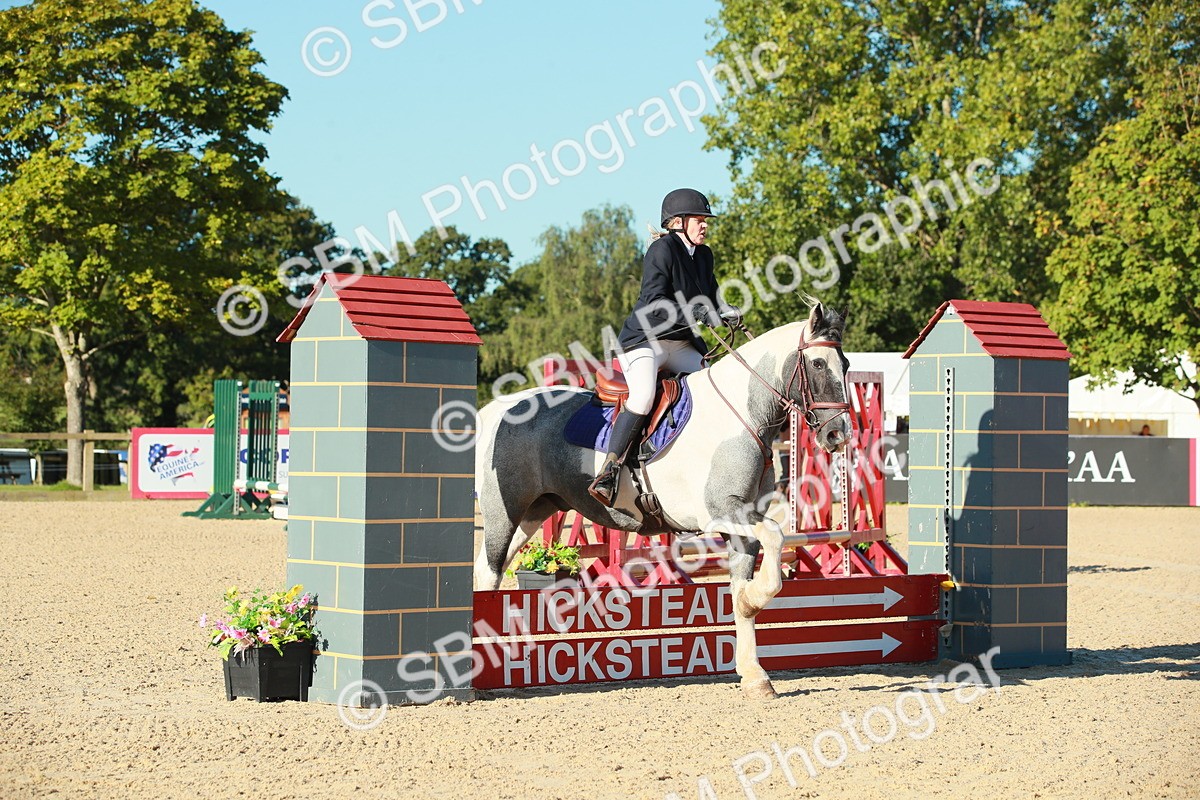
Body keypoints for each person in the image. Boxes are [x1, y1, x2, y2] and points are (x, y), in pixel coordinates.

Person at [587, 188, 740, 506]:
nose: (705, 226)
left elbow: (712, 296)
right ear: (678, 222)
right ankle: (610, 470)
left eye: (705, 221)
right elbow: (655, 301)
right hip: (646, 341)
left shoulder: (704, 255)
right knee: (642, 397)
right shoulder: (662, 250)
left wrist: (725, 313)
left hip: (681, 343)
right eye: (699, 220)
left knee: (713, 384)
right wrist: (691, 311)